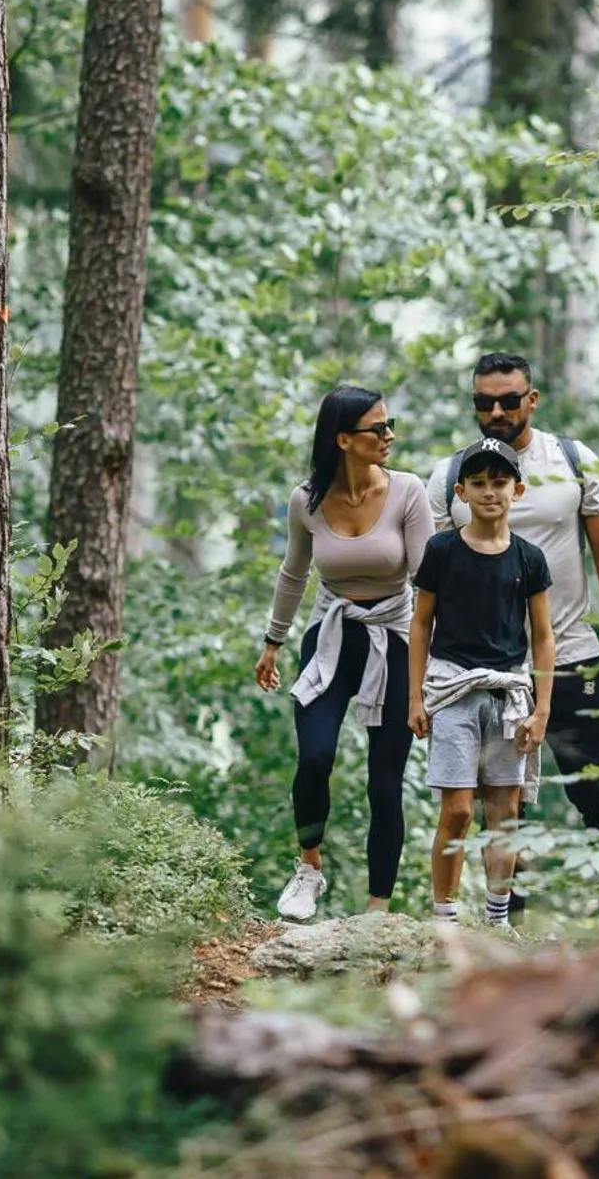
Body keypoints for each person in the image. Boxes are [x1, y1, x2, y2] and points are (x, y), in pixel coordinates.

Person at [426, 352, 599, 924]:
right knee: (502, 802)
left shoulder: (574, 461)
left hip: (569, 656)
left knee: (595, 790)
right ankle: (507, 927)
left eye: (508, 400)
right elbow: (436, 584)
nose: (496, 411)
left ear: (532, 400)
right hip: (481, 671)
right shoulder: (450, 476)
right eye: (484, 401)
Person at [256, 384, 431, 921]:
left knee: (385, 779)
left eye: (389, 424)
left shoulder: (407, 491)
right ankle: (309, 869)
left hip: (394, 637)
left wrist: (432, 669)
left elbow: (428, 585)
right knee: (314, 756)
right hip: (332, 634)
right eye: (378, 428)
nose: (389, 435)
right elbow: (294, 573)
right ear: (343, 439)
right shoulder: (306, 499)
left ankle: (378, 907)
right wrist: (273, 642)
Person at [408, 438, 555, 928]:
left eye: (499, 482)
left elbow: (543, 635)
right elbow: (420, 623)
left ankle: (497, 920)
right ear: (461, 492)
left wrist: (542, 709)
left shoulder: (529, 558)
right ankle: (444, 918)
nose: (489, 492)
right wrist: (415, 698)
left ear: (518, 490)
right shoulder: (442, 550)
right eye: (478, 483)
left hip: (508, 693)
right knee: (457, 811)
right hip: (453, 690)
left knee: (504, 813)